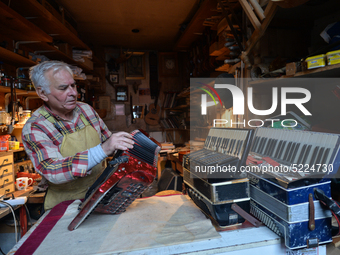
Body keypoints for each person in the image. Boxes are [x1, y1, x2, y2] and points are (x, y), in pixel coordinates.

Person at [22, 60, 134, 211]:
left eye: (73, 85)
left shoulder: (86, 110)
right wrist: (102, 150)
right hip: (65, 207)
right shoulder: (36, 127)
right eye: (63, 88)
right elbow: (53, 171)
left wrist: (132, 144)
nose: (73, 93)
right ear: (42, 93)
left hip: (99, 197)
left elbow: (109, 144)